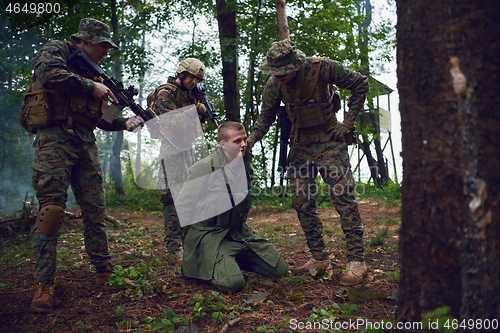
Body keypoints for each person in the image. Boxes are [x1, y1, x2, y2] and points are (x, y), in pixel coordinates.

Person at [27, 18, 144, 312]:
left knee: (95, 207)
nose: (106, 52)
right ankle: (44, 285)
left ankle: (104, 271)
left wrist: (125, 123)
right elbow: (48, 74)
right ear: (85, 41)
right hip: (54, 137)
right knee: (51, 210)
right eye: (103, 46)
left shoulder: (97, 76)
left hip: (84, 140)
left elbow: (100, 120)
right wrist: (90, 85)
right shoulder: (58, 51)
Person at [246, 39, 369, 286]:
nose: (278, 77)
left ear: (294, 64)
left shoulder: (322, 68)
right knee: (302, 202)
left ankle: (357, 261)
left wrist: (348, 123)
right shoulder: (274, 86)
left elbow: (360, 83)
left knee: (343, 199)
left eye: (282, 72)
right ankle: (319, 257)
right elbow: (264, 119)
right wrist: (248, 141)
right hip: (301, 145)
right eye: (274, 73)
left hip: (329, 140)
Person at [176, 121, 288, 292]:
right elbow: (184, 206)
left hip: (237, 232)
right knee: (233, 284)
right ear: (223, 144)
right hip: (210, 234)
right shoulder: (204, 168)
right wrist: (192, 245)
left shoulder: (245, 167)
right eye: (237, 141)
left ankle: (232, 260)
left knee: (279, 269)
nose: (244, 144)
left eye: (244, 139)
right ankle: (214, 262)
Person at [148, 58, 209, 257]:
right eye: (191, 76)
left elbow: (198, 129)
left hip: (188, 148)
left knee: (189, 194)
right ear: (181, 73)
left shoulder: (191, 94)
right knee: (171, 197)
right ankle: (174, 248)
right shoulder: (166, 92)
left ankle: (188, 242)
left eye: (197, 79)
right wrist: (196, 112)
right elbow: (169, 121)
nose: (194, 81)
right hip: (171, 148)